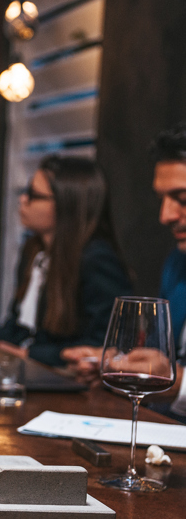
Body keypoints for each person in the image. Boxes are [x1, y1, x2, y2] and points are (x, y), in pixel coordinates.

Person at [63, 124, 186, 419]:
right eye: (162, 199)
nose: (165, 215)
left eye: (181, 198)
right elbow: (165, 363)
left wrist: (178, 385)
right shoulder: (177, 264)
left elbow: (174, 377)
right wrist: (118, 363)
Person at [0, 155, 132, 367]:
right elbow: (20, 322)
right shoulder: (34, 251)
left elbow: (107, 344)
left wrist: (29, 354)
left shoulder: (96, 259)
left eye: (33, 195)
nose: (22, 200)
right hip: (35, 371)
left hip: (72, 382)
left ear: (66, 204)